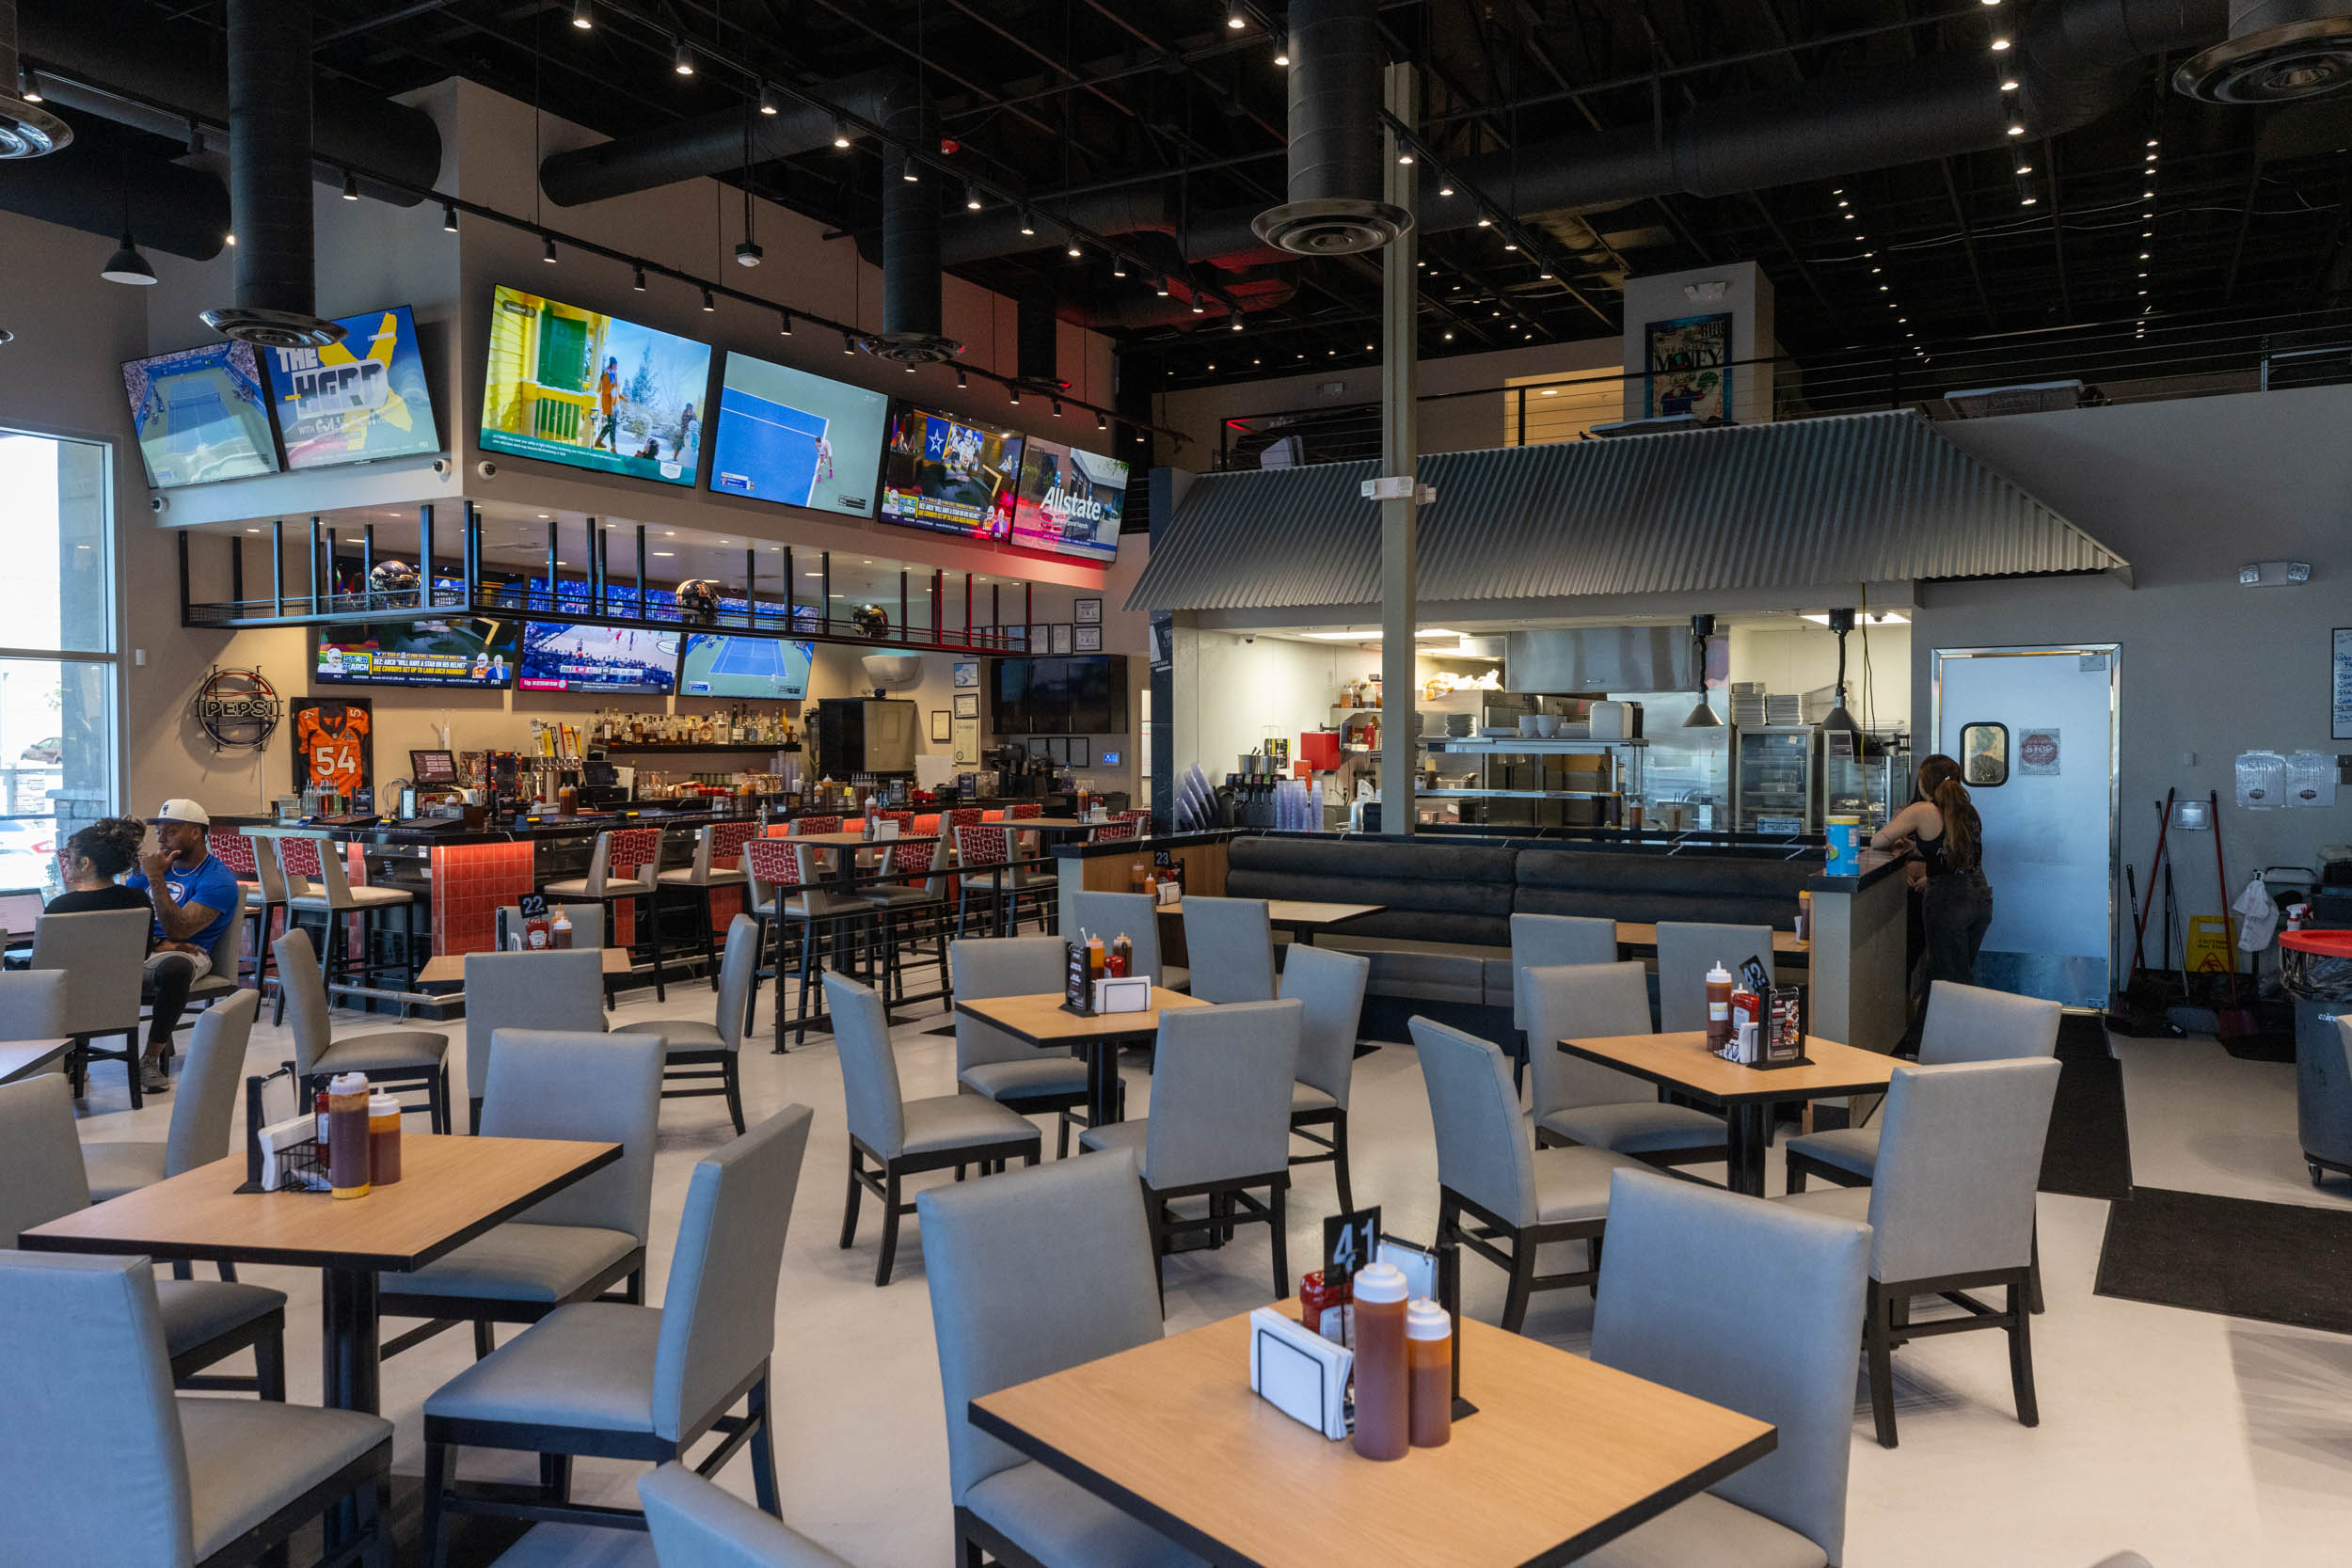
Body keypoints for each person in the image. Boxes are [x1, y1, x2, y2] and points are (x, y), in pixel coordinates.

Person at [123, 800, 240, 1094]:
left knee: (176, 968)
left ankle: (150, 1060)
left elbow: (180, 930)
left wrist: (155, 878)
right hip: (147, 948)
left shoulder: (217, 879)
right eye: (159, 832)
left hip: (190, 953)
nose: (161, 838)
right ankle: (73, 1057)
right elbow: (121, 913)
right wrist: (156, 942)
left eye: (171, 831)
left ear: (196, 833)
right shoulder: (154, 867)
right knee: (83, 960)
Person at [1871, 754, 1993, 1022]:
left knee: (1947, 982)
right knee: (1956, 975)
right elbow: (1957, 853)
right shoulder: (1967, 810)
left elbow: (1878, 840)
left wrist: (1900, 840)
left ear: (1924, 782)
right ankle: (1927, 1038)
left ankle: (1946, 1042)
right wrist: (1919, 847)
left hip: (1949, 900)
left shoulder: (1923, 810)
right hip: (1980, 897)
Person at [45, 817, 153, 915]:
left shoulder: (59, 908)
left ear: (85, 863)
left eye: (69, 856)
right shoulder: (139, 900)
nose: (66, 861)